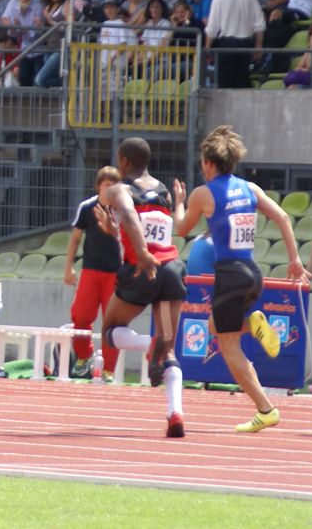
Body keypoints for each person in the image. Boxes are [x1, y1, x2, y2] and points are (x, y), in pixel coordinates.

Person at [174, 126, 307, 433]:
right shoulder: (251, 188)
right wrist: (295, 260)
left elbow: (181, 229)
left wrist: (179, 202)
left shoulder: (203, 193)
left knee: (229, 346)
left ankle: (266, 409)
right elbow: (283, 217)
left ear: (209, 163)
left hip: (229, 276)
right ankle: (254, 323)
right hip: (252, 273)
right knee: (216, 327)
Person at [94, 137, 186, 436]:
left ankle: (149, 345)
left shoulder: (119, 189)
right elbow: (158, 226)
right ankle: (175, 413)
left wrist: (143, 253)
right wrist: (113, 230)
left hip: (141, 269)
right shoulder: (164, 191)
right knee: (169, 350)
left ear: (123, 161)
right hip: (171, 269)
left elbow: (131, 214)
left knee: (110, 331)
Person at [65, 167, 125, 374]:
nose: (110, 188)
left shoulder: (123, 209)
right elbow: (75, 238)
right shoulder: (87, 207)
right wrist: (68, 267)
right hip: (90, 270)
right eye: (107, 184)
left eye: (114, 185)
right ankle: (84, 356)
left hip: (115, 273)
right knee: (80, 316)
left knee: (113, 322)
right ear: (99, 185)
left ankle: (108, 369)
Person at [205, 0, 264, 88]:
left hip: (226, 45)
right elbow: (259, 24)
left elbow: (212, 27)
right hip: (245, 44)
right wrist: (258, 45)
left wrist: (207, 47)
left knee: (225, 83)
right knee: (242, 82)